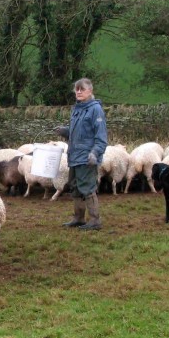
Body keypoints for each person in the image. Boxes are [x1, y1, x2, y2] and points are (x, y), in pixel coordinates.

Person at [63, 78, 108, 230]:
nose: (79, 92)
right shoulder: (76, 109)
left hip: (87, 157)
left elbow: (101, 137)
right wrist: (65, 132)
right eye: (77, 89)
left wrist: (95, 153)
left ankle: (95, 220)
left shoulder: (95, 109)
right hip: (74, 156)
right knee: (75, 187)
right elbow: (79, 133)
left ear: (90, 91)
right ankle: (78, 217)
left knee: (88, 188)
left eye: (82, 89)